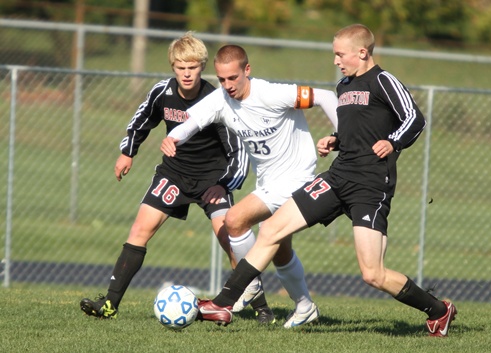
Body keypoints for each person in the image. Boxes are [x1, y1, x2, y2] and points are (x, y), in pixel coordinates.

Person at [193, 24, 458, 337]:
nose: (336, 61)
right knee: (273, 228)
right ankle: (223, 303)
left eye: (339, 54)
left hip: (370, 185)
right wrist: (334, 139)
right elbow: (356, 129)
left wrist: (393, 142)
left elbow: (414, 118)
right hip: (338, 175)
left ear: (362, 52)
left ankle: (439, 310)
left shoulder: (383, 80)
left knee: (373, 274)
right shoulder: (345, 86)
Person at [79, 32, 276, 324]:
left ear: (202, 67)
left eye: (193, 67)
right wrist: (127, 152)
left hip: (212, 180)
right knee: (139, 230)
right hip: (174, 174)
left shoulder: (217, 99)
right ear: (173, 67)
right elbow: (141, 121)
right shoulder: (163, 92)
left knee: (230, 240)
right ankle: (109, 304)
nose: (187, 73)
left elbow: (238, 151)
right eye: (181, 67)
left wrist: (222, 184)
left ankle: (261, 308)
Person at [160, 44, 338, 328]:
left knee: (235, 218)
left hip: (297, 177)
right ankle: (304, 306)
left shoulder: (272, 94)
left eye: (233, 78)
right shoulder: (220, 100)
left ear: (247, 70)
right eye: (221, 79)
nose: (228, 85)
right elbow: (190, 122)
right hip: (268, 181)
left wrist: (342, 135)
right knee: (280, 249)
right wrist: (174, 138)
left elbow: (326, 96)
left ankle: (248, 283)